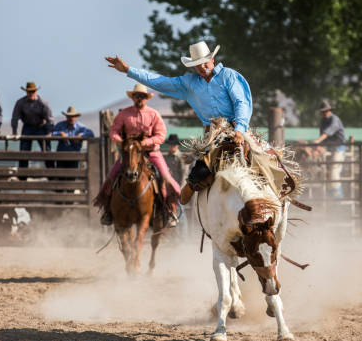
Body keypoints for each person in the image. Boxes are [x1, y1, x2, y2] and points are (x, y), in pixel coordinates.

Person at [105, 40, 253, 203]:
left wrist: (239, 129)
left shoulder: (228, 76)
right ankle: (186, 191)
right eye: (197, 65)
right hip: (213, 137)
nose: (202, 68)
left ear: (212, 59)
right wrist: (128, 70)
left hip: (237, 131)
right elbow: (159, 81)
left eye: (204, 63)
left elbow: (241, 103)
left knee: (264, 162)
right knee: (200, 173)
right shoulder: (189, 84)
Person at [96, 83, 181, 226]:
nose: (139, 98)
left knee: (166, 177)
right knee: (111, 176)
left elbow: (161, 134)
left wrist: (147, 142)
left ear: (146, 98)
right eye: (137, 96)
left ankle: (170, 210)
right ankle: (107, 211)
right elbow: (114, 131)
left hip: (151, 152)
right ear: (133, 98)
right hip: (130, 153)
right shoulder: (124, 114)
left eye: (142, 96)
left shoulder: (154, 114)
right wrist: (121, 141)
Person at [11, 81, 54, 173]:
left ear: (36, 91)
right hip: (27, 127)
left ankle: (52, 175)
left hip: (41, 127)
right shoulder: (20, 103)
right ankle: (23, 177)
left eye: (33, 91)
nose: (31, 93)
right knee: (24, 152)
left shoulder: (43, 103)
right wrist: (14, 132)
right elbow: (15, 118)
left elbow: (50, 119)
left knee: (47, 151)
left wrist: (49, 132)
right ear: (26, 92)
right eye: (29, 92)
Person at [313, 99, 346, 198]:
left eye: (325, 111)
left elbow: (326, 133)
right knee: (325, 174)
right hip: (329, 149)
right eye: (322, 111)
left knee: (334, 174)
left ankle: (337, 198)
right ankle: (329, 197)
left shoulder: (334, 120)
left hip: (338, 149)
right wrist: (318, 146)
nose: (324, 113)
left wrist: (317, 142)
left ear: (329, 110)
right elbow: (323, 137)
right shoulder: (323, 121)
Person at [52, 106, 94, 174]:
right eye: (69, 116)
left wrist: (81, 136)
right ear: (66, 117)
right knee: (60, 176)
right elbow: (52, 133)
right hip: (61, 155)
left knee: (73, 176)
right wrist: (60, 134)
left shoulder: (80, 127)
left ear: (76, 117)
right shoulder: (60, 125)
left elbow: (91, 133)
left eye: (73, 116)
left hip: (74, 156)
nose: (71, 118)